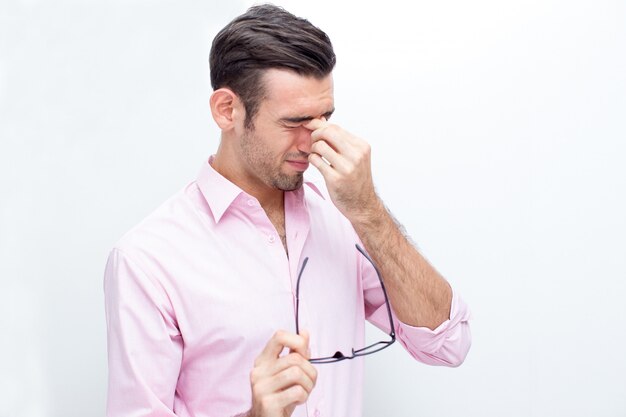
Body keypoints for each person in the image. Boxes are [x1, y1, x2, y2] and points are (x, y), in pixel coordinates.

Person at [103, 4, 472, 417]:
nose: (314, 140)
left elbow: (447, 344)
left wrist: (368, 210)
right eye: (295, 121)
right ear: (228, 110)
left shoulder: (344, 219)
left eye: (325, 117)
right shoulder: (148, 260)